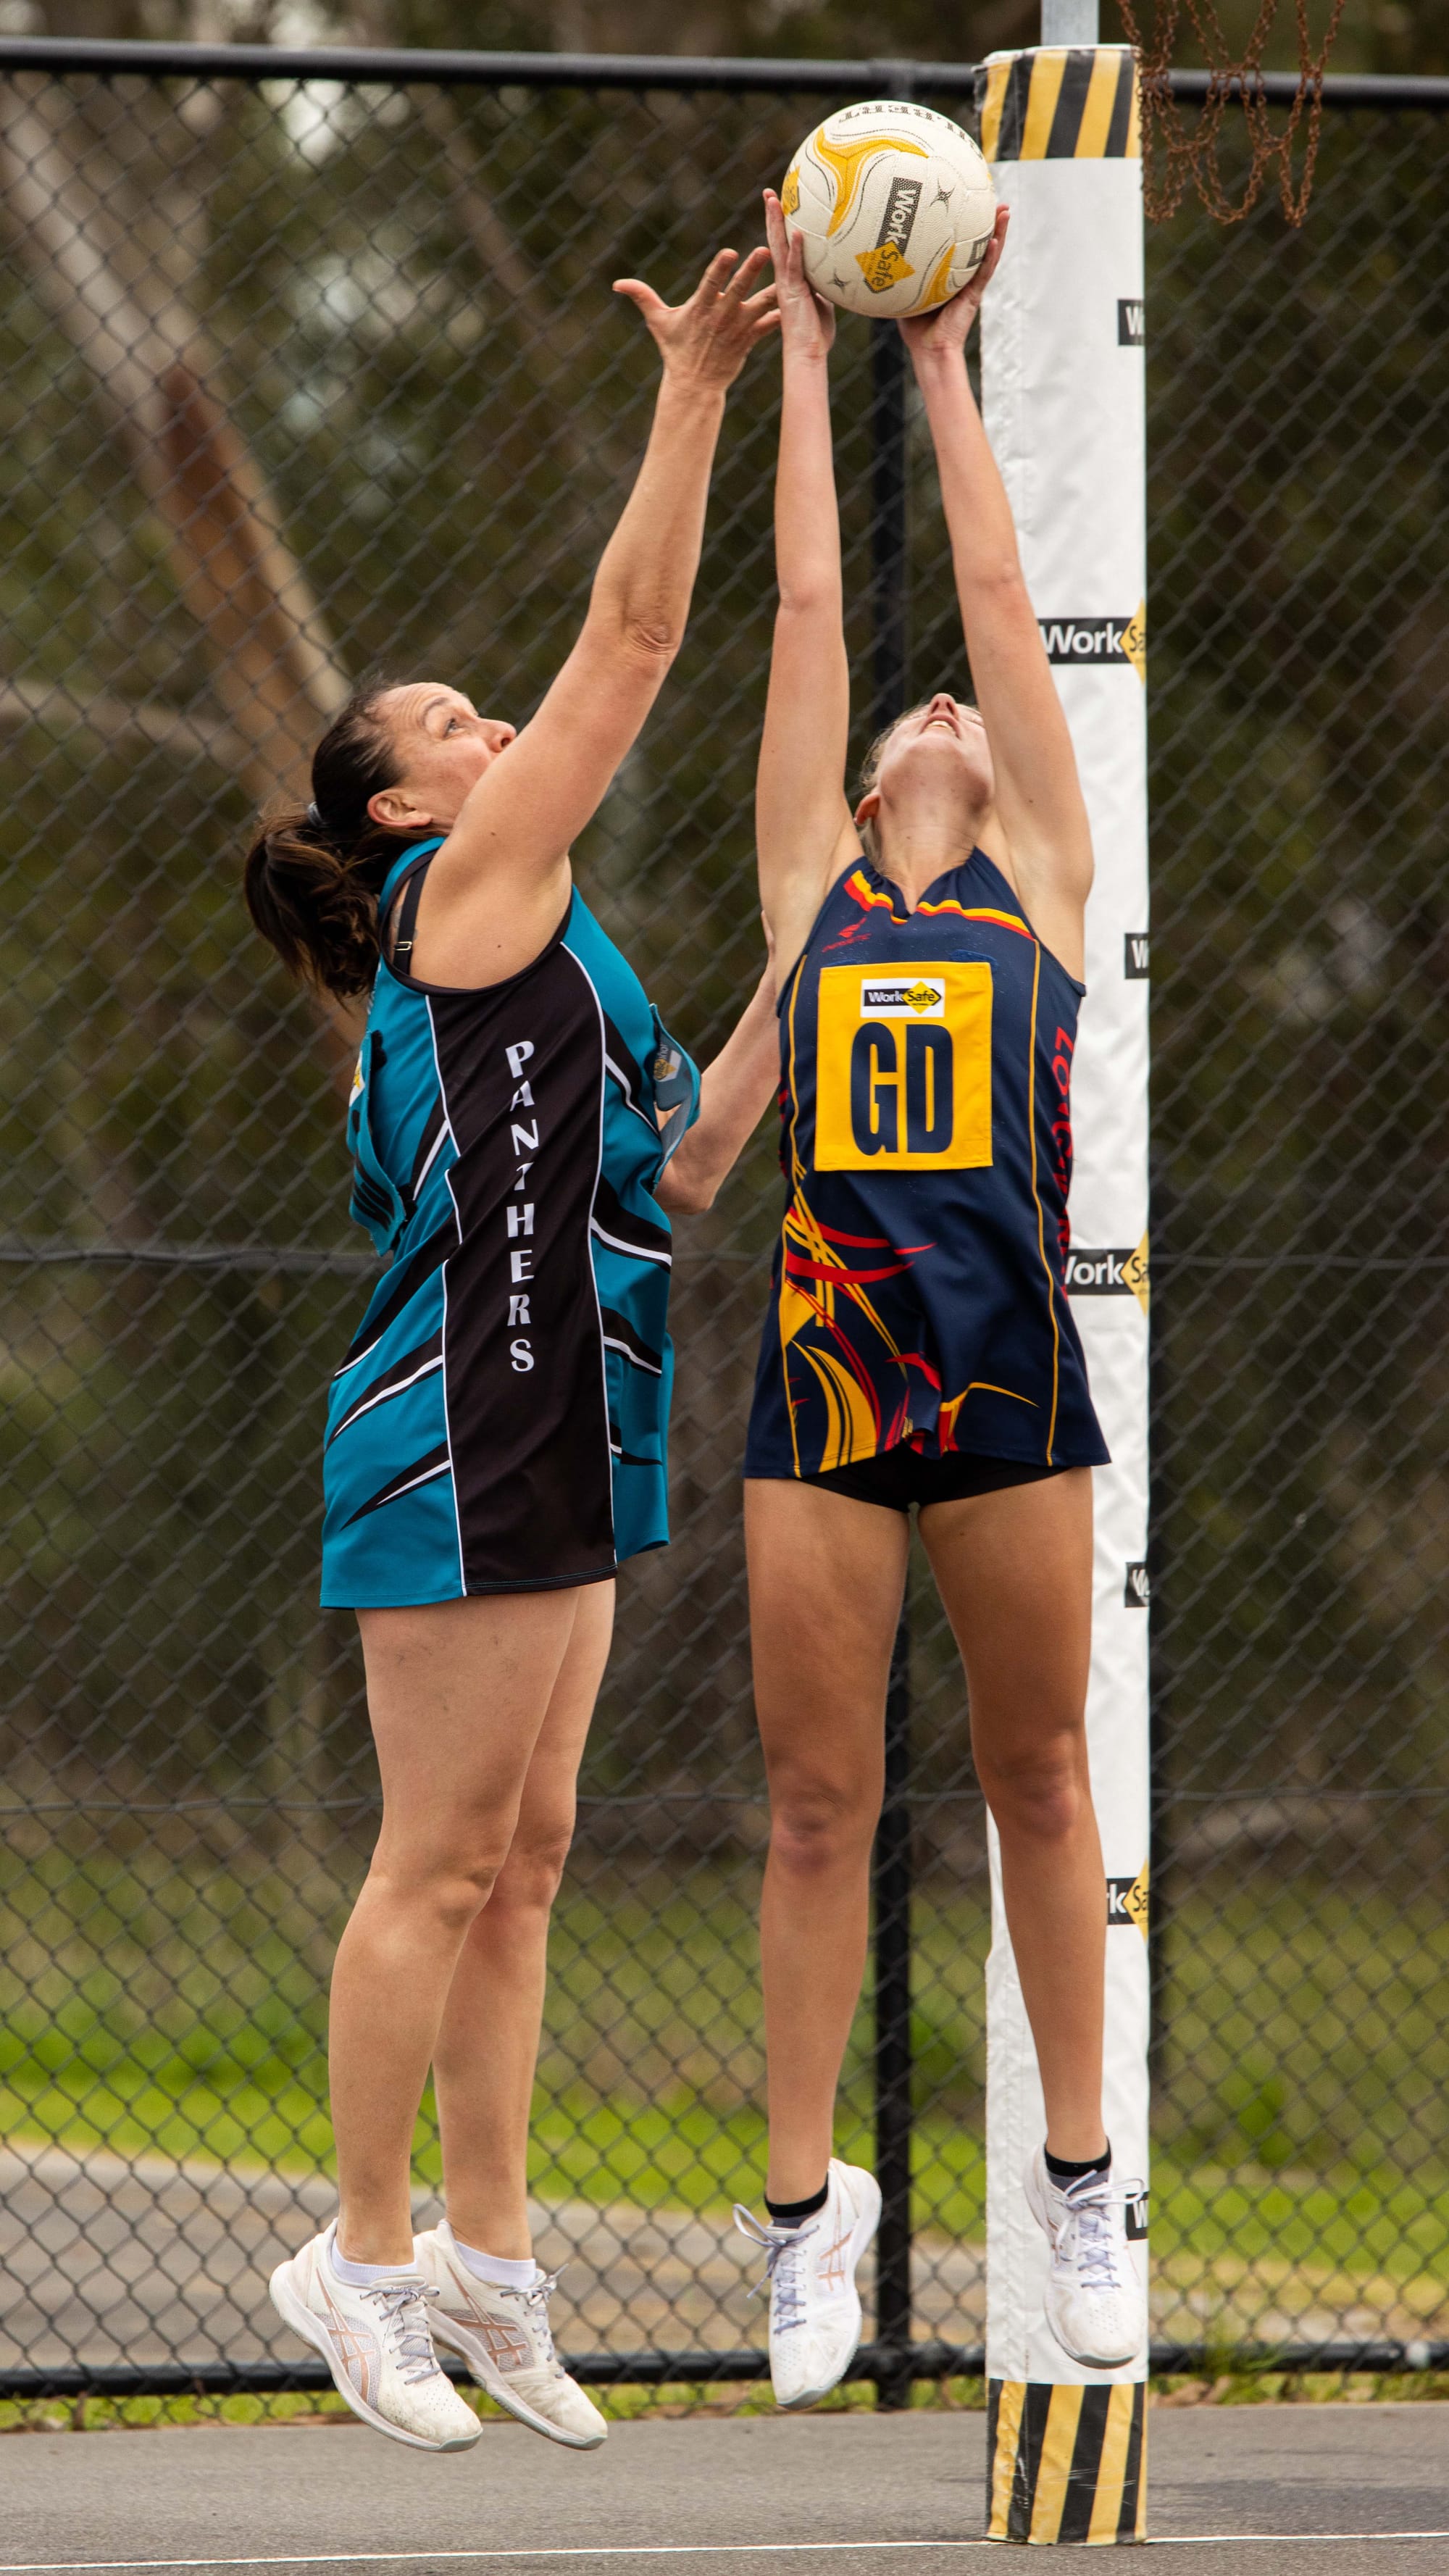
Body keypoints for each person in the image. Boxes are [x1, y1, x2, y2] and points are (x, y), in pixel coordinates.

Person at [244, 246, 781, 2454]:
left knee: (530, 1851)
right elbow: (640, 636)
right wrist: (699, 395)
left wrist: (805, 959)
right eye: (457, 727)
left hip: (571, 1421)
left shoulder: (565, 949)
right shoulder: (454, 913)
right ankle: (353, 2257)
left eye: (492, 711)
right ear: (400, 815)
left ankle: (484, 2250)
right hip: (452, 1433)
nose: (496, 733)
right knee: (435, 1859)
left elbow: (686, 1168)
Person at [730, 193, 1146, 2409]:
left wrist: (940, 367)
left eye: (959, 709)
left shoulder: (1047, 886)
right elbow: (818, 597)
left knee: (1039, 1774)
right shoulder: (812, 883)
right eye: (911, 714)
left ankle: (1082, 2183)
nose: (932, 701)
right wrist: (804, 351)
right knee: (816, 1806)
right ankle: (806, 2224)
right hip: (826, 1389)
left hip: (1009, 1388)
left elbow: (994, 598)